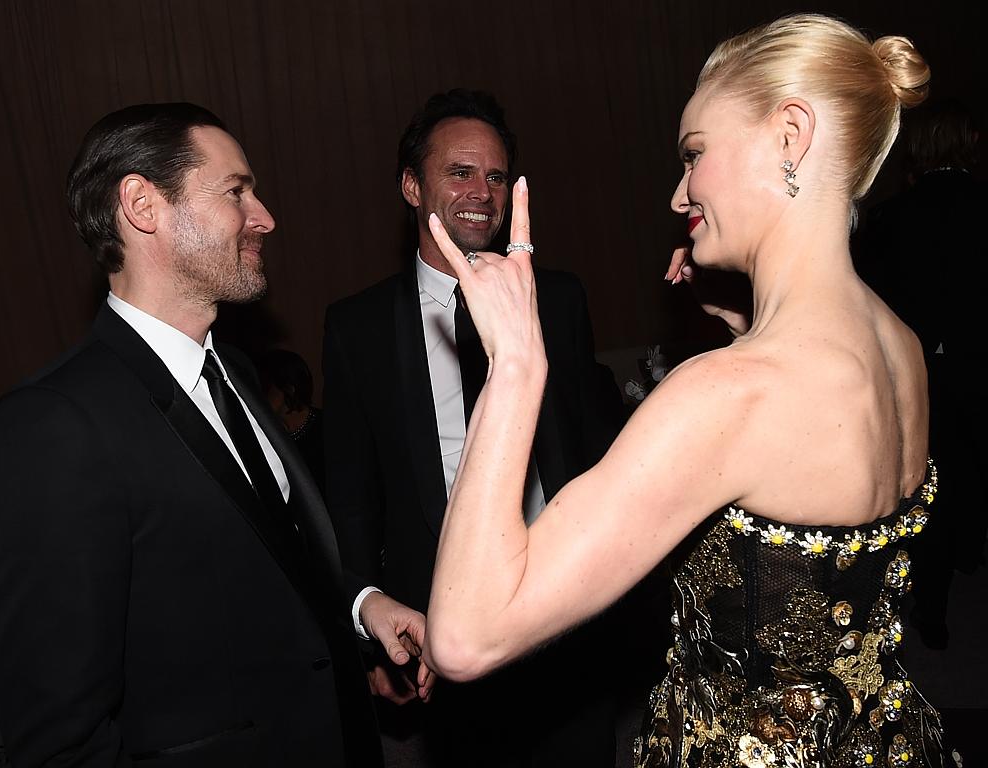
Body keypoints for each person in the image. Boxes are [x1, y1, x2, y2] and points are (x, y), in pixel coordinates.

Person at [423, 15, 953, 768]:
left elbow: (466, 634)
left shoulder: (732, 394)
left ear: (789, 136)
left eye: (695, 155)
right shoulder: (899, 344)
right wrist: (747, 321)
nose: (680, 193)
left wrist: (513, 365)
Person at [0, 102, 430, 768]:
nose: (264, 216)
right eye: (236, 191)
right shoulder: (49, 429)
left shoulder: (235, 371)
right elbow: (57, 739)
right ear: (143, 205)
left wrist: (362, 604)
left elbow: (265, 553)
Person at [322, 89, 624, 766]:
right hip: (440, 631)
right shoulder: (358, 328)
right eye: (459, 172)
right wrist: (370, 632)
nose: (480, 192)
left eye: (495, 176)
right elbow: (351, 493)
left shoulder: (561, 300)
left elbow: (596, 453)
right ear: (411, 185)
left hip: (563, 614)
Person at [854, 99, 988, 649]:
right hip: (979, 369)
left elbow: (869, 303)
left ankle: (929, 603)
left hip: (918, 375)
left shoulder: (892, 216)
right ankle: (966, 553)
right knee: (971, 470)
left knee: (928, 481)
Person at [259, 347, 327, 496]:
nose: (260, 396)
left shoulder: (328, 430)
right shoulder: (265, 435)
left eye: (265, 389)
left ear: (289, 389)